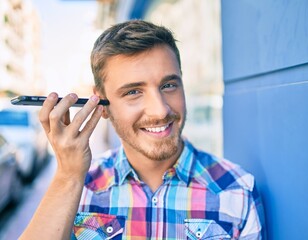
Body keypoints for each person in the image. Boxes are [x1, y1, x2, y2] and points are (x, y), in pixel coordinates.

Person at [20, 20, 265, 239]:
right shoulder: (77, 188)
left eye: (169, 85)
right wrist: (68, 175)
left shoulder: (237, 191)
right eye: (133, 92)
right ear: (102, 104)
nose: (160, 111)